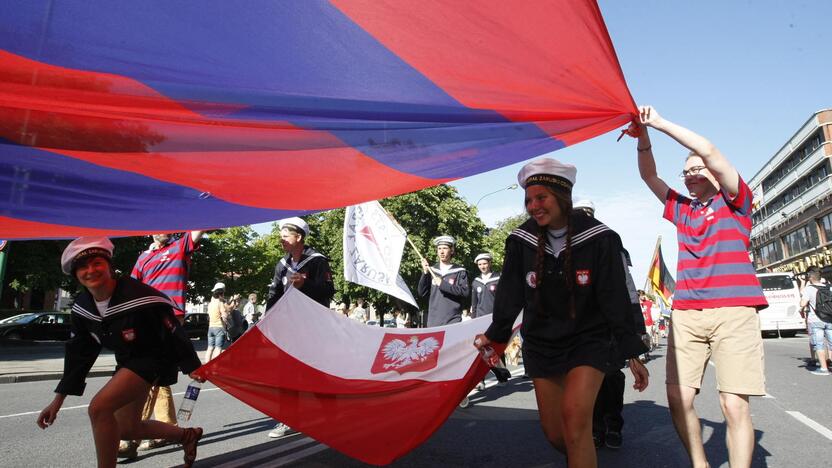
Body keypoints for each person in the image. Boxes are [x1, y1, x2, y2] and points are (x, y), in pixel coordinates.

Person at [474, 158, 649, 467]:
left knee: (576, 422)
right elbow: (510, 295)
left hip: (589, 340)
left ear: (563, 197)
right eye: (528, 199)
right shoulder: (520, 240)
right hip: (542, 343)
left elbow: (614, 297)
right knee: (556, 434)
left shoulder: (601, 238)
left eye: (541, 197)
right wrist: (494, 335)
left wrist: (632, 349)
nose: (533, 206)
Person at [635, 105, 767, 468]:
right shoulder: (682, 209)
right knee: (678, 398)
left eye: (697, 169)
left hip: (734, 311)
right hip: (687, 313)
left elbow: (708, 149)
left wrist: (658, 123)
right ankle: (700, 463)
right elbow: (650, 176)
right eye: (686, 172)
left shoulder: (736, 202)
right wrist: (642, 137)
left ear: (715, 171)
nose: (690, 175)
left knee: (733, 403)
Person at [37, 237, 203, 468]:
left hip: (154, 358)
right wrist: (57, 401)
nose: (91, 270)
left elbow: (173, 330)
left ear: (109, 266)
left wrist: (192, 365)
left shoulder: (141, 296)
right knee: (126, 428)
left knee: (99, 408)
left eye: (97, 263)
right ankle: (187, 436)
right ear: (76, 276)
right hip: (128, 361)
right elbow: (79, 355)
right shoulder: (82, 307)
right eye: (83, 267)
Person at [575, 199, 648, 450]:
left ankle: (613, 425)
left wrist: (637, 328)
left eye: (588, 214)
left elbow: (627, 287)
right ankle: (594, 428)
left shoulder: (610, 242)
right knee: (584, 378)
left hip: (611, 324)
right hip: (581, 326)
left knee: (611, 377)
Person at [125, 230, 204, 455]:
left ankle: (132, 436)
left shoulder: (178, 248)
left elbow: (200, 227)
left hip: (168, 319)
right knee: (157, 375)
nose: (163, 230)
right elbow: (130, 290)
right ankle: (167, 428)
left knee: (146, 373)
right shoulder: (142, 258)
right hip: (145, 319)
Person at [265, 217, 335, 438]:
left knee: (314, 374)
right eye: (281, 235)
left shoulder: (317, 261)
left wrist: (306, 285)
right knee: (285, 375)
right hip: (288, 328)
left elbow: (328, 292)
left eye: (286, 235)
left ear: (299, 237)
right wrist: (266, 322)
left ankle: (330, 415)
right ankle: (288, 420)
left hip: (312, 328)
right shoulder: (282, 264)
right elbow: (273, 295)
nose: (282, 239)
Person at [471, 252, 511, 385]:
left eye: (485, 263)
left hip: (495, 318)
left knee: (497, 347)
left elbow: (505, 299)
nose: (483, 266)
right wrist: (473, 320)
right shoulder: (476, 282)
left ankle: (502, 375)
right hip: (480, 319)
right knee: (480, 350)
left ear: (490, 263)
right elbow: (474, 303)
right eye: (480, 264)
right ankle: (480, 379)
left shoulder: (498, 278)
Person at [418, 236, 470, 327]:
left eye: (445, 248)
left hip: (453, 320)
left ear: (452, 250)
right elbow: (422, 293)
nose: (441, 251)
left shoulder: (460, 271)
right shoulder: (432, 270)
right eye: (439, 249)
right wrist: (425, 272)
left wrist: (443, 284)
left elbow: (465, 292)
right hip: (434, 321)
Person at [800, 266, 832, 375]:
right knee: (831, 343)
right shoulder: (829, 287)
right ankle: (830, 362)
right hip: (830, 318)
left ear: (810, 277)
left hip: (816, 320)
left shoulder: (809, 289)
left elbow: (803, 303)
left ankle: (824, 369)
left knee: (819, 344)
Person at [205, 283, 229, 362]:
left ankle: (206, 366)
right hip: (219, 328)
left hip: (210, 328)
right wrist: (228, 322)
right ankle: (214, 367)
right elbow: (224, 316)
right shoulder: (220, 303)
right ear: (221, 293)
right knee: (218, 348)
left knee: (210, 348)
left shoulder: (210, 303)